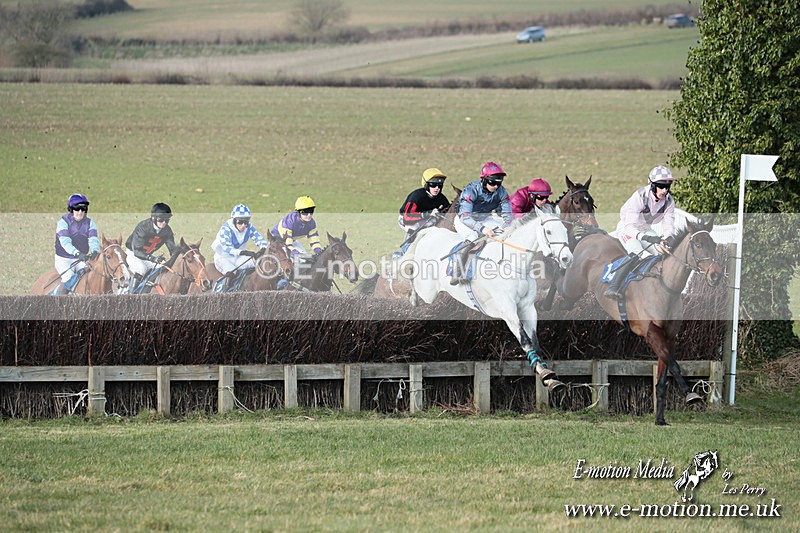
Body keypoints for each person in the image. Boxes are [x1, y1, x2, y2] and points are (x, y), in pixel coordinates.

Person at [605, 165, 677, 299]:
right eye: (661, 186)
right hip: (627, 229)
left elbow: (668, 224)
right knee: (638, 253)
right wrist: (646, 238)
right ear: (652, 185)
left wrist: (669, 237)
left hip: (645, 229)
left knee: (664, 252)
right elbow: (629, 226)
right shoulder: (639, 196)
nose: (664, 190)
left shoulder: (669, 201)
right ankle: (613, 287)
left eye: (667, 186)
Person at [450, 161, 513, 285]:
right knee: (473, 238)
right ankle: (457, 272)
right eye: (492, 182)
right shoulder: (470, 190)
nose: (496, 186)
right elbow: (465, 217)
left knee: (506, 234)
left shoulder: (502, 191)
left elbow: (507, 214)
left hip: (484, 218)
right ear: (484, 180)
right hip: (464, 219)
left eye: (499, 183)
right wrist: (482, 229)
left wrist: (507, 226)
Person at [211, 204, 269, 292]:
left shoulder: (249, 227)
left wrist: (263, 248)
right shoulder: (225, 229)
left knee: (258, 262)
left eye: (246, 222)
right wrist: (243, 252)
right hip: (223, 258)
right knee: (231, 273)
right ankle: (221, 293)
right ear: (233, 220)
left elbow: (260, 239)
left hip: (237, 257)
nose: (243, 225)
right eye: (240, 222)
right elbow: (227, 248)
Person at [52, 193, 101, 294]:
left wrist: (95, 251)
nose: (80, 212)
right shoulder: (63, 222)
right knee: (68, 277)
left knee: (92, 274)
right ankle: (55, 298)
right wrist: (77, 253)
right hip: (64, 259)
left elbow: (93, 239)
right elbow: (65, 243)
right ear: (71, 210)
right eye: (77, 209)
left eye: (83, 209)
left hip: (80, 259)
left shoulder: (90, 223)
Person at [125, 202, 178, 293]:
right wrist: (152, 258)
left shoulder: (167, 231)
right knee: (141, 269)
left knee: (163, 267)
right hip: (133, 254)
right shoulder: (143, 227)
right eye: (161, 220)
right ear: (153, 218)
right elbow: (137, 251)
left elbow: (173, 250)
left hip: (148, 257)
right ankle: (129, 294)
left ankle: (148, 290)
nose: (164, 223)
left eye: (167, 220)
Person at [398, 167, 451, 251]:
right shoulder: (416, 196)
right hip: (407, 219)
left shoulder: (441, 198)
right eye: (433, 185)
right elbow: (407, 218)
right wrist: (428, 214)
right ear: (426, 185)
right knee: (413, 227)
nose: (437, 188)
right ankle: (406, 251)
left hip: (428, 218)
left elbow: (447, 212)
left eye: (439, 185)